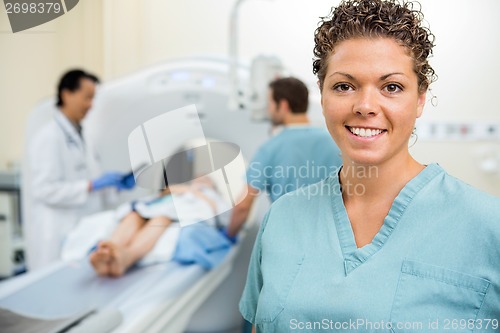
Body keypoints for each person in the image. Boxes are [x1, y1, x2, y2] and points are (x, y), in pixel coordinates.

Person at [239, 1, 500, 332]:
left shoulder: (488, 226)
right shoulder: (282, 219)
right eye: (344, 86)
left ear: (420, 98)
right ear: (322, 96)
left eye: (391, 87)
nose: (364, 106)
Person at [25, 69, 135, 271]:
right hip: (56, 230)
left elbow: (89, 180)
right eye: (87, 98)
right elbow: (43, 190)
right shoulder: (48, 137)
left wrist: (115, 186)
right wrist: (91, 185)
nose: (91, 105)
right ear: (66, 94)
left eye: (93, 99)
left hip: (81, 227)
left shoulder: (84, 136)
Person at [226, 77, 342, 238]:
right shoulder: (335, 142)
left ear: (283, 106)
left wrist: (228, 235)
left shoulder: (270, 148)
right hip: (330, 237)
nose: (269, 110)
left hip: (288, 237)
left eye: (270, 104)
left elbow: (243, 207)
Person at [89, 176, 231, 277]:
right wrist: (182, 189)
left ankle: (127, 256)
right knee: (135, 213)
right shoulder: (180, 189)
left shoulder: (212, 196)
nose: (200, 181)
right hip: (159, 205)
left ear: (212, 186)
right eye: (197, 179)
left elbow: (219, 216)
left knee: (161, 218)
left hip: (178, 210)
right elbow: (160, 195)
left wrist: (198, 192)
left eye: (205, 180)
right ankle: (108, 250)